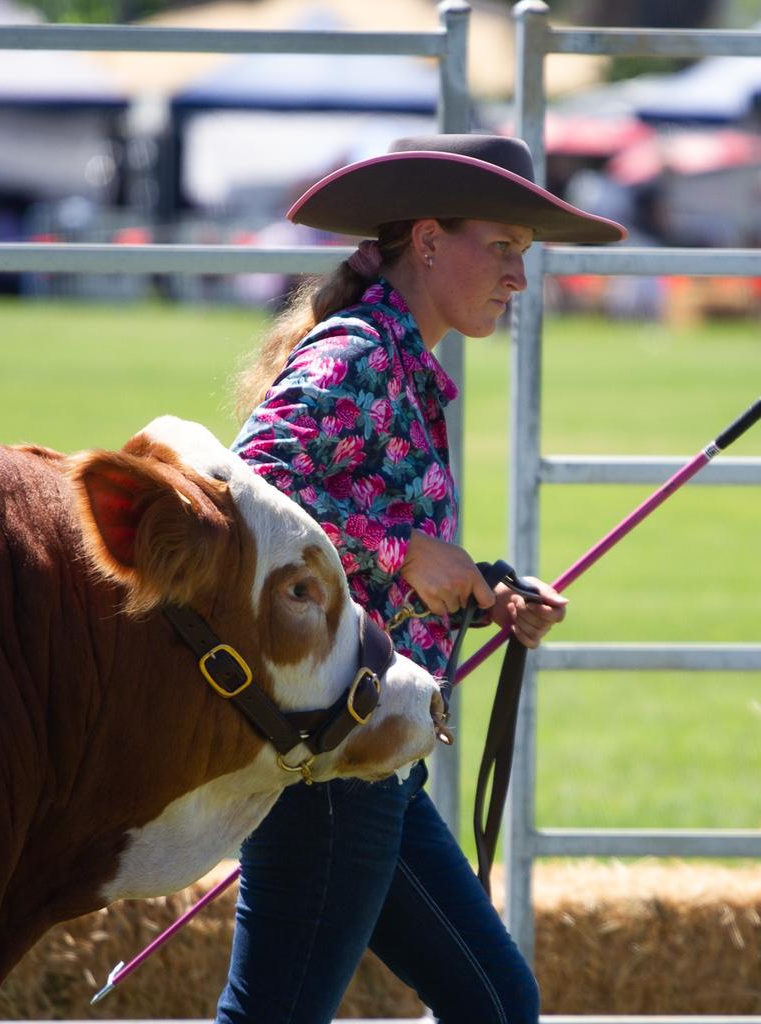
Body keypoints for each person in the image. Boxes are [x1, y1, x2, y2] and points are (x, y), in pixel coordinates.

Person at [218, 134, 626, 1024]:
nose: (519, 277)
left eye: (526, 255)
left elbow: (346, 543)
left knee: (497, 1003)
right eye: (506, 247)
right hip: (324, 762)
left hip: (374, 754)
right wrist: (405, 549)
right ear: (431, 240)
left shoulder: (402, 367)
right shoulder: (357, 356)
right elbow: (237, 494)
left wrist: (482, 589)